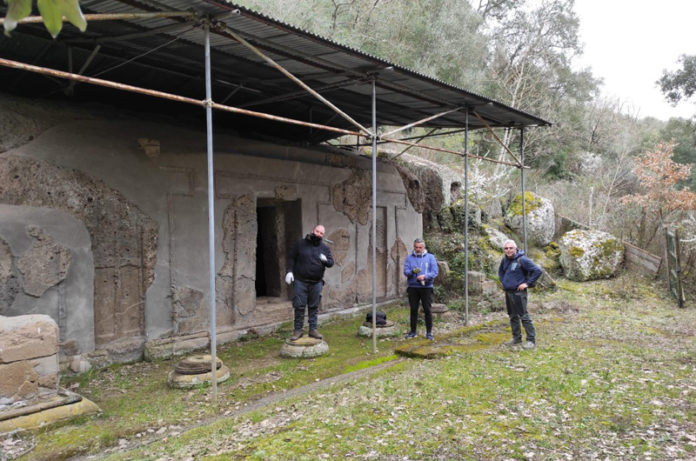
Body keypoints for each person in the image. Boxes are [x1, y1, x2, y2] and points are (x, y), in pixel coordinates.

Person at [285, 225, 334, 341]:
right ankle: (298, 330)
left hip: (316, 282)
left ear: (323, 235)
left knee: (314, 306)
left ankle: (313, 329)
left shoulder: (325, 248)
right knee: (299, 306)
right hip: (300, 281)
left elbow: (331, 263)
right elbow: (291, 258)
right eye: (317, 231)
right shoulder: (300, 244)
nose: (319, 234)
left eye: (321, 233)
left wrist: (325, 260)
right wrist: (289, 272)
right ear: (313, 230)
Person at [498, 239, 542, 349]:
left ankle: (531, 340)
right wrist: (504, 281)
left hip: (519, 293)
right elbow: (501, 272)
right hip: (508, 292)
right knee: (513, 316)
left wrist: (527, 283)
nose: (508, 250)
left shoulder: (522, 259)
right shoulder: (504, 260)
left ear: (515, 249)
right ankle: (516, 338)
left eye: (511, 248)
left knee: (524, 316)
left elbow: (537, 271)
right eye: (506, 248)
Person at [403, 238, 439, 340]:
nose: (418, 249)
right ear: (414, 247)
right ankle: (413, 332)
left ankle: (429, 333)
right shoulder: (409, 258)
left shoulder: (430, 257)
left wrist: (425, 276)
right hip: (413, 287)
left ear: (424, 247)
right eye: (416, 247)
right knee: (413, 310)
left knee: (427, 310)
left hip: (426, 287)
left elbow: (435, 272)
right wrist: (413, 272)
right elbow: (406, 271)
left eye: (420, 247)